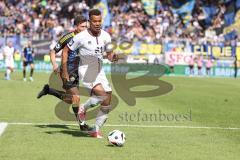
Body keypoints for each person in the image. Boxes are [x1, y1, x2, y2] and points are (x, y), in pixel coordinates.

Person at [62, 9, 118, 138]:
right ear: (89, 22)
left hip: (100, 70)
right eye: (94, 21)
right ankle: (83, 108)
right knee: (102, 95)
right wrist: (65, 71)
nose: (97, 23)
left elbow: (109, 56)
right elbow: (65, 50)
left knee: (107, 101)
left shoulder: (106, 36)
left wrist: (114, 57)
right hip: (86, 70)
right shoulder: (80, 37)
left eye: (99, 21)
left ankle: (95, 130)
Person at [37, 15, 93, 131]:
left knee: (70, 100)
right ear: (76, 26)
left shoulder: (87, 37)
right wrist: (54, 64)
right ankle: (82, 125)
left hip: (77, 72)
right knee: (76, 97)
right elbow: (53, 51)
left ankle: (49, 90)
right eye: (82, 26)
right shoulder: (67, 37)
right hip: (67, 71)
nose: (85, 29)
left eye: (86, 27)